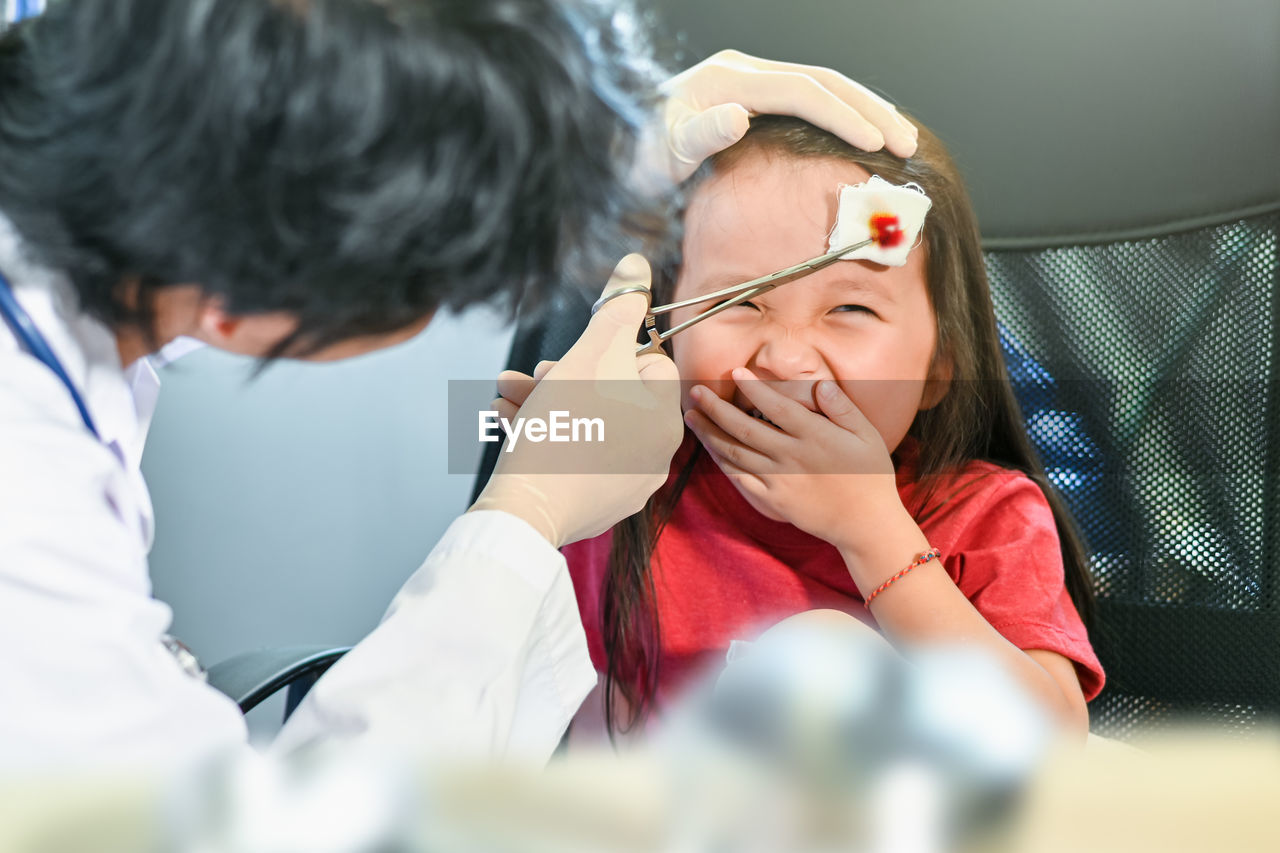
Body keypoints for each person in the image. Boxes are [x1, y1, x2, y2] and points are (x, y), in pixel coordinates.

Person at [0, 0, 919, 771]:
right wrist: (528, 508)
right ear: (237, 307)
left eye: (852, 309)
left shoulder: (96, 214)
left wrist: (572, 150)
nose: (790, 355)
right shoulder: (26, 519)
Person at [556, 115, 1104, 742]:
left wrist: (871, 532)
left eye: (849, 308)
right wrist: (543, 483)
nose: (785, 359)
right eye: (739, 302)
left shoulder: (987, 515)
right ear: (664, 330)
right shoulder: (627, 494)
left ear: (938, 365)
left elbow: (1053, 749)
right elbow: (584, 726)